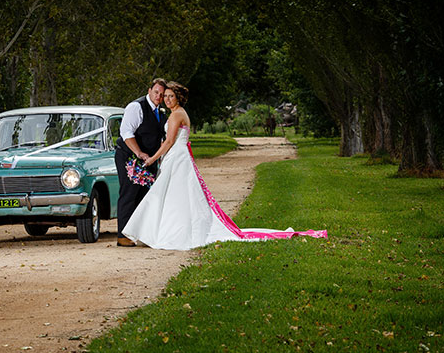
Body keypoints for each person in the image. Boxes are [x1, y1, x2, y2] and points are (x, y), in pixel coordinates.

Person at [122, 81, 328, 250]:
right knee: (172, 195)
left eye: (170, 96)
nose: (166, 99)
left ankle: (167, 232)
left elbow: (168, 142)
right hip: (176, 156)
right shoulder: (177, 113)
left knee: (171, 194)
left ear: (178, 98)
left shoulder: (176, 114)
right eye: (165, 96)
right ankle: (157, 231)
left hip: (177, 157)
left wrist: (152, 159)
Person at [114, 78, 167, 247]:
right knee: (129, 194)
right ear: (149, 90)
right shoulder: (136, 107)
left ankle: (139, 233)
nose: (158, 96)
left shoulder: (160, 112)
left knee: (144, 196)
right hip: (129, 156)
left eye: (162, 94)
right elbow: (126, 132)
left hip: (148, 159)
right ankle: (123, 235)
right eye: (156, 92)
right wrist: (138, 153)